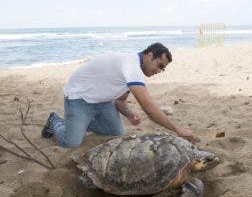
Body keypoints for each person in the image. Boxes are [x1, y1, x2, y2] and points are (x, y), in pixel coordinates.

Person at [41, 42, 198, 148]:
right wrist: (178, 130)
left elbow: (120, 101)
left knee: (117, 133)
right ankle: (55, 120)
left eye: (162, 69)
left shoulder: (135, 71)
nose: (159, 71)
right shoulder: (131, 64)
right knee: (72, 143)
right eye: (159, 65)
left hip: (104, 102)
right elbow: (148, 108)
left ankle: (78, 123)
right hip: (80, 98)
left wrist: (129, 113)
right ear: (149, 55)